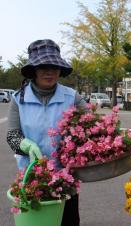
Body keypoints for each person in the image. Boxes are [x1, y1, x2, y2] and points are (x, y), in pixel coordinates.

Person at [6, 39, 86, 226]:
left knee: (68, 222)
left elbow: (94, 125)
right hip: (33, 180)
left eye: (54, 66)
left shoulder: (72, 97)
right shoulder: (19, 99)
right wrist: (25, 144)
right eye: (43, 67)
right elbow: (12, 135)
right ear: (34, 70)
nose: (49, 72)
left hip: (66, 180)